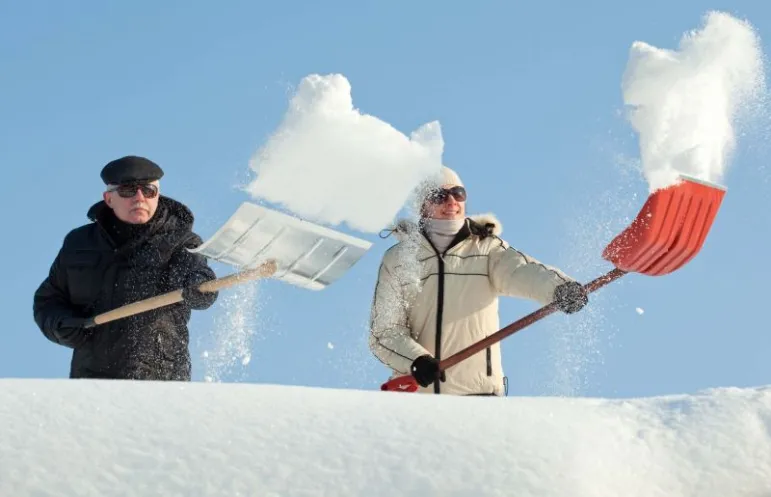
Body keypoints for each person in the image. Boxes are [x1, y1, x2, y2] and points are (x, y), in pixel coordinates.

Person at [369, 166, 588, 396]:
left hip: (479, 397)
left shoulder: (486, 249)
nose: (451, 200)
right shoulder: (400, 259)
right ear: (422, 206)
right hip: (419, 401)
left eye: (458, 193)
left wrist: (559, 288)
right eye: (439, 196)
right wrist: (415, 360)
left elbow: (522, 271)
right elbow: (385, 331)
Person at [33, 155, 219, 381]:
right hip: (91, 381)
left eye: (148, 190)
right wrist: (61, 325)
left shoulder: (180, 242)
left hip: (161, 379)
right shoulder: (79, 245)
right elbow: (48, 301)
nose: (139, 198)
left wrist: (199, 286)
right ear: (109, 199)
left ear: (157, 195)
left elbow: (196, 274)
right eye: (128, 191)